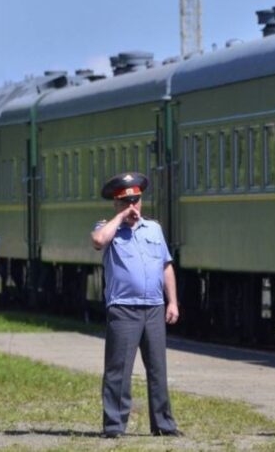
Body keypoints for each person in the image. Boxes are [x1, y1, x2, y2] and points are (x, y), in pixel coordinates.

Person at [90, 172, 182, 439]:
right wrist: (119, 219)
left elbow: (166, 266)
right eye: (127, 202)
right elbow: (98, 241)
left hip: (153, 306)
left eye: (137, 201)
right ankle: (114, 426)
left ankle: (164, 424)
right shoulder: (107, 228)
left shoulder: (154, 229)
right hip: (123, 308)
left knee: (157, 369)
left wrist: (172, 301)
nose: (133, 207)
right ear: (117, 204)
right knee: (118, 370)